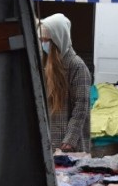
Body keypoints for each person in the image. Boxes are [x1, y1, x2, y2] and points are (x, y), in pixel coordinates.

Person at [38, 13, 92, 153]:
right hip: (50, 141)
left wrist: (69, 140)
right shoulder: (45, 64)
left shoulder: (77, 67)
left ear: (58, 39)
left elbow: (81, 107)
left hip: (70, 147)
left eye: (46, 40)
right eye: (41, 40)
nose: (43, 44)